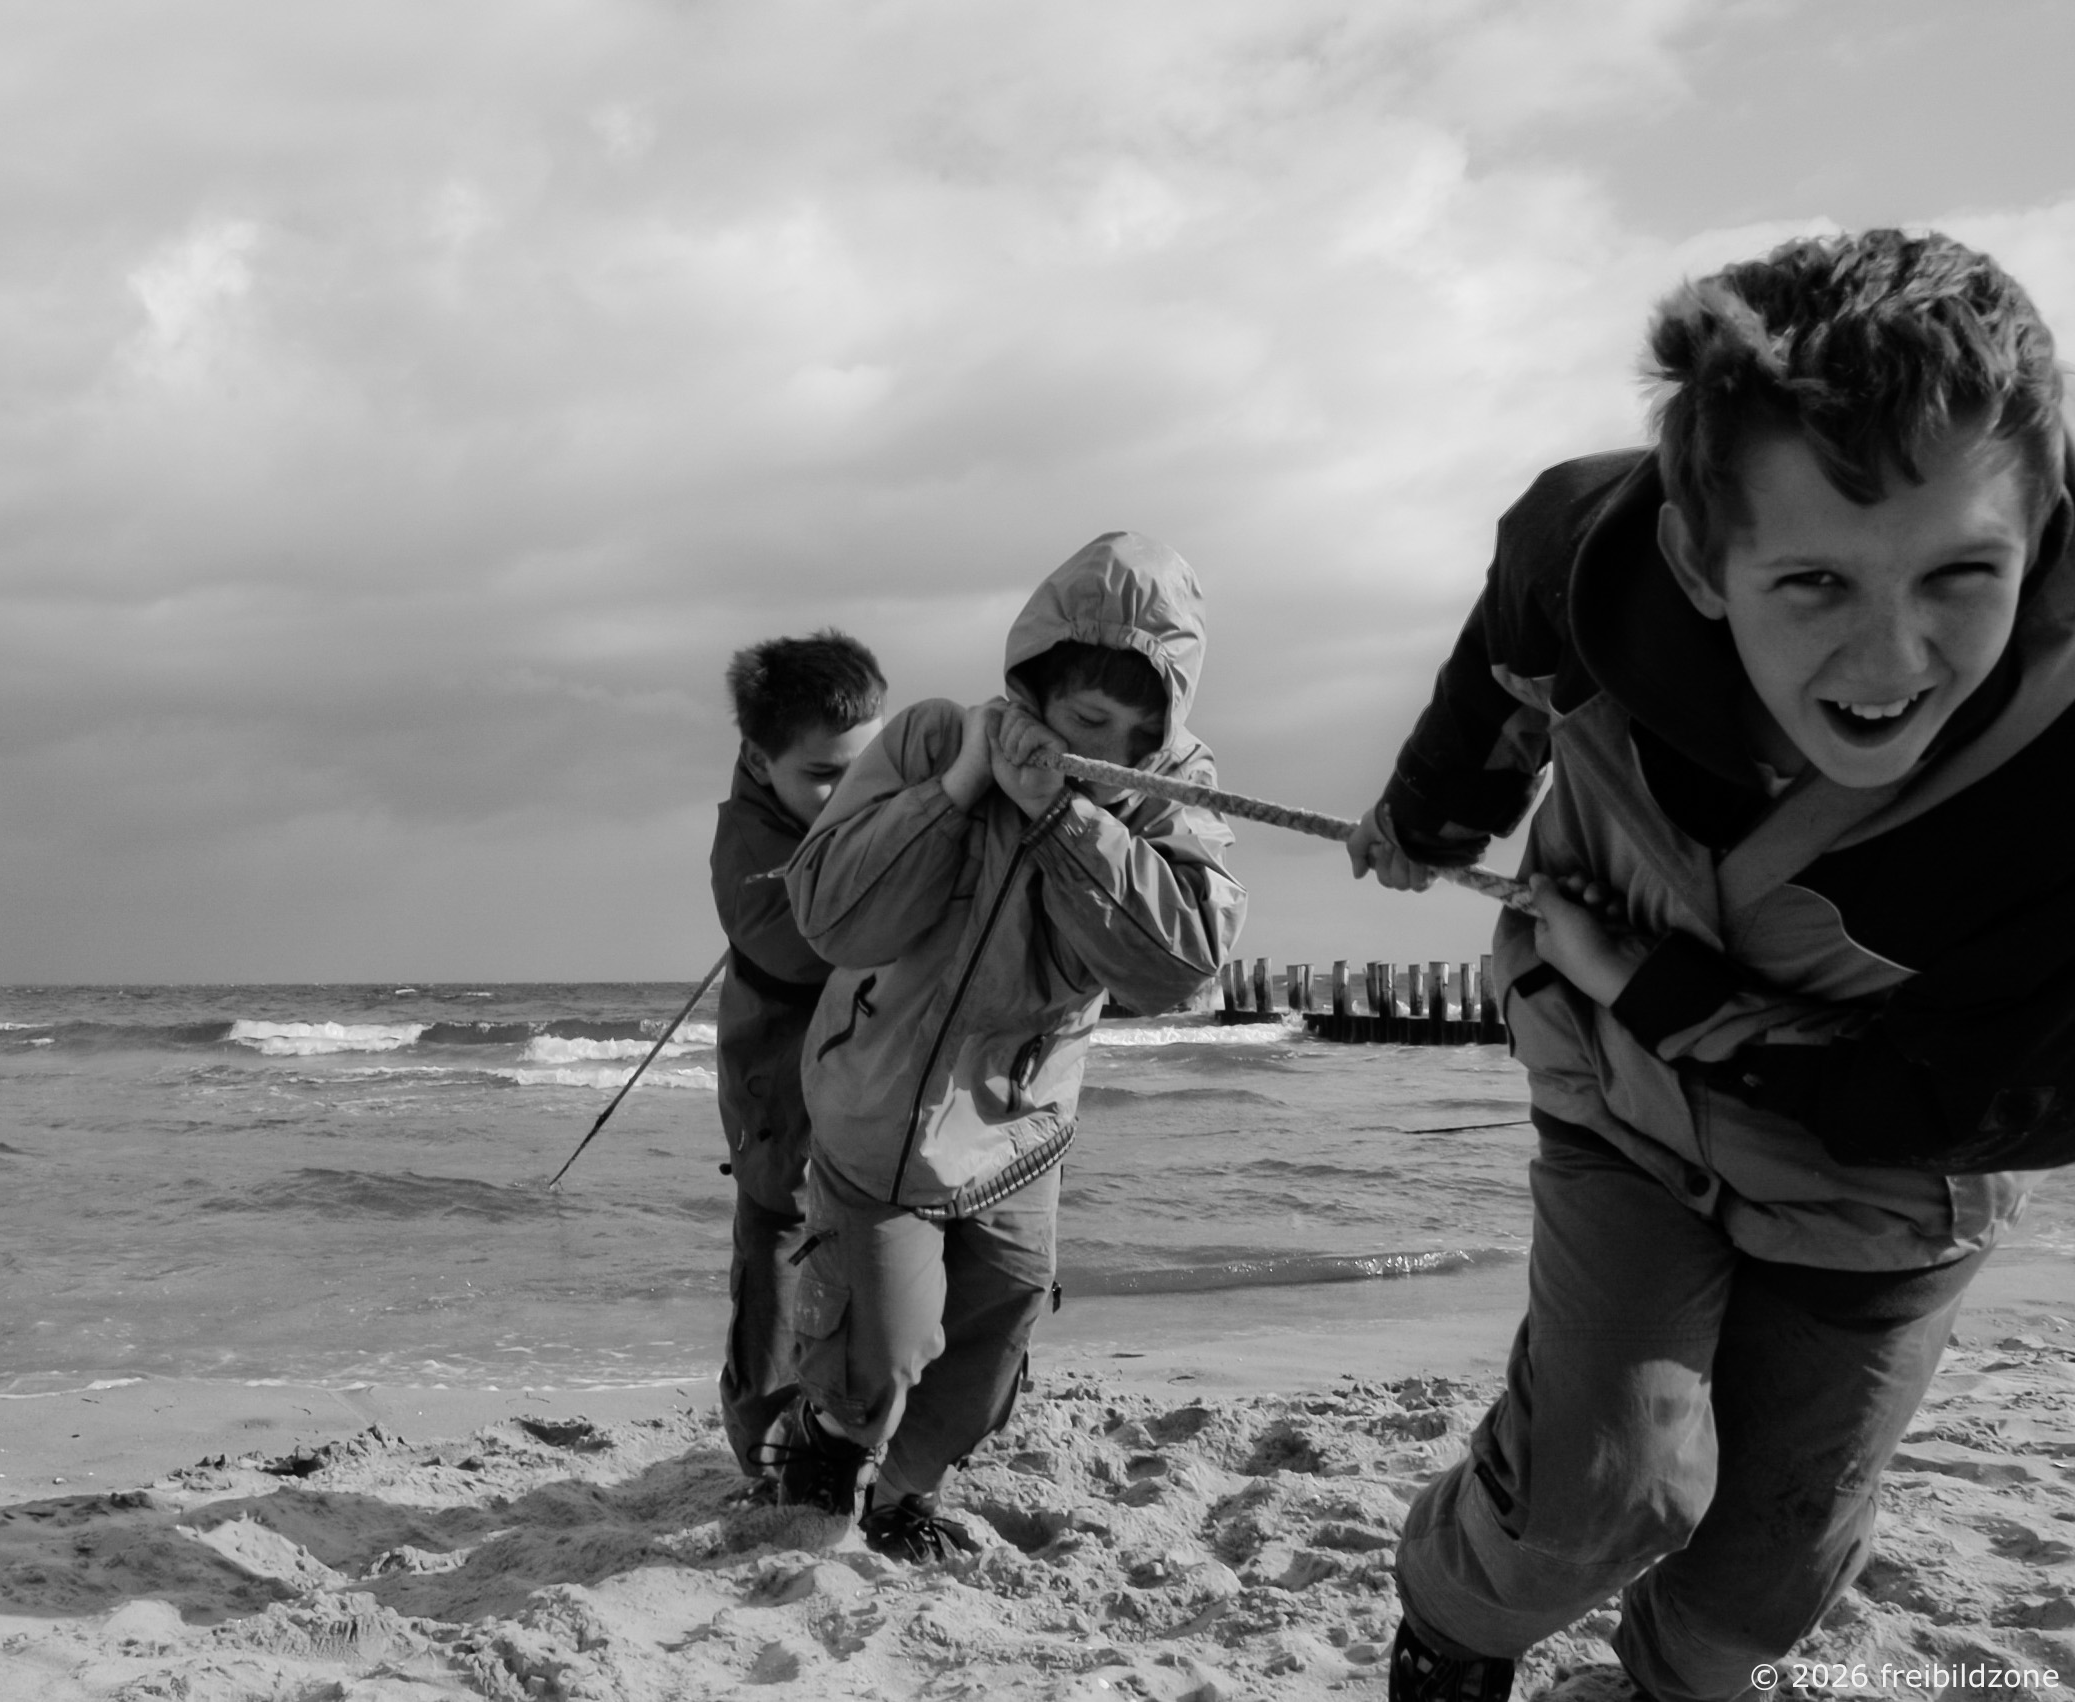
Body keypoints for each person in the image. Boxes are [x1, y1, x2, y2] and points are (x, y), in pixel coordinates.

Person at [1348, 229, 2075, 1702]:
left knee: (1761, 1584)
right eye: (1811, 580)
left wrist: (1650, 985)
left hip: (1882, 1159)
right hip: (1616, 1098)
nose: (1889, 660)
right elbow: (1509, 641)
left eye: (1962, 573)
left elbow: (1984, 1093)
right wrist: (1436, 811)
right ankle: (1451, 1629)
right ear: (1697, 552)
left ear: (2044, 522)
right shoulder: (1594, 547)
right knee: (1601, 1494)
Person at [779, 531, 1246, 1561]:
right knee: (878, 1359)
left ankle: (902, 1489)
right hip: (877, 1108)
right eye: (1087, 719)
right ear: (1034, 682)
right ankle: (826, 1433)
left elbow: (1178, 967)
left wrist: (1066, 819)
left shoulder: (1173, 794)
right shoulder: (931, 738)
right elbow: (831, 916)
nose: (1108, 746)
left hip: (1021, 1130)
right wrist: (959, 792)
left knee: (989, 1357)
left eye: (1137, 729)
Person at [710, 630, 888, 1491]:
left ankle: (848, 1422)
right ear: (758, 755)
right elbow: (814, 945)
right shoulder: (746, 846)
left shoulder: (872, 800)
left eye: (861, 766)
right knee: (778, 1242)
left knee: (870, 1245)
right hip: (774, 1079)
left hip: (862, 1070)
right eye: (821, 776)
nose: (844, 790)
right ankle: (761, 1444)